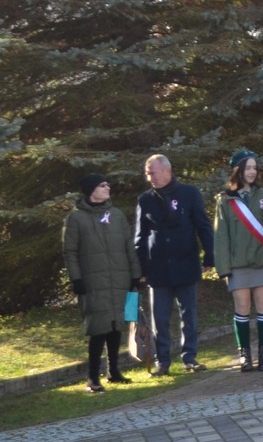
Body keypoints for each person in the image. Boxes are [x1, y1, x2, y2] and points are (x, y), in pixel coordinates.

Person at [134, 153, 215, 374]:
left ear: (166, 171)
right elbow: (140, 237)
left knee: (188, 315)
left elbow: (203, 225)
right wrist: (140, 269)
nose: (149, 177)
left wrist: (209, 256)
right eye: (147, 173)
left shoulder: (189, 193)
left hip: (186, 263)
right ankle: (162, 361)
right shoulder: (145, 199)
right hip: (158, 268)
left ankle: (190, 357)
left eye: (152, 173)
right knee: (160, 318)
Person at [64, 173, 139, 393]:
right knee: (98, 328)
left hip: (119, 279)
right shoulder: (75, 218)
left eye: (107, 184)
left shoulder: (116, 215)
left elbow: (128, 246)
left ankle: (114, 371)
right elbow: (70, 252)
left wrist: (136, 274)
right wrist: (76, 279)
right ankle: (93, 377)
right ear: (91, 190)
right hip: (93, 281)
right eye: (102, 185)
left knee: (116, 326)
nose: (108, 188)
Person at [213, 149, 263, 371]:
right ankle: (245, 354)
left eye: (254, 168)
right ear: (238, 170)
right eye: (248, 168)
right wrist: (224, 268)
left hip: (262, 261)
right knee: (242, 307)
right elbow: (221, 236)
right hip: (238, 265)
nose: (252, 172)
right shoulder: (225, 200)